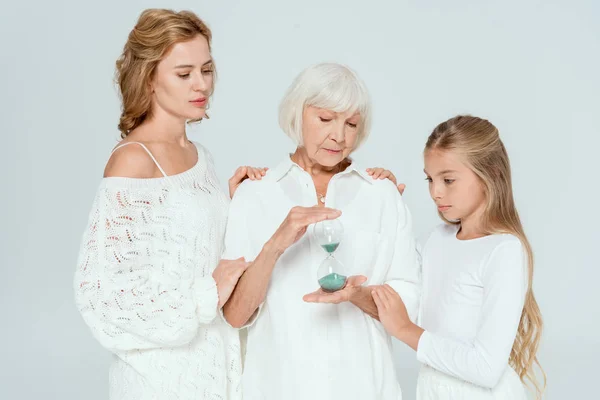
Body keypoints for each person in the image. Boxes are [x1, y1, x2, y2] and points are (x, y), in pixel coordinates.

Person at [73, 9, 259, 399]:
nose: (201, 84)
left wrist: (232, 206)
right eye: (184, 73)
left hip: (215, 371)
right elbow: (104, 295)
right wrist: (206, 291)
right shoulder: (133, 159)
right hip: (160, 381)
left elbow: (184, 248)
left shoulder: (199, 155)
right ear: (150, 78)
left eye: (206, 70)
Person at [222, 63, 420, 399]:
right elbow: (235, 315)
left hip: (365, 387)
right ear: (297, 115)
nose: (339, 136)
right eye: (325, 119)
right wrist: (275, 244)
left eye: (351, 124)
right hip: (279, 387)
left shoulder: (381, 194)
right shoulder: (255, 194)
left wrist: (356, 295)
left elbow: (410, 306)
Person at [373, 115, 546, 399]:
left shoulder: (504, 250)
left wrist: (405, 330)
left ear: (489, 174)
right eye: (430, 179)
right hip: (432, 390)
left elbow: (486, 368)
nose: (434, 192)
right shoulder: (436, 240)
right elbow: (399, 294)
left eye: (448, 179)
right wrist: (385, 202)